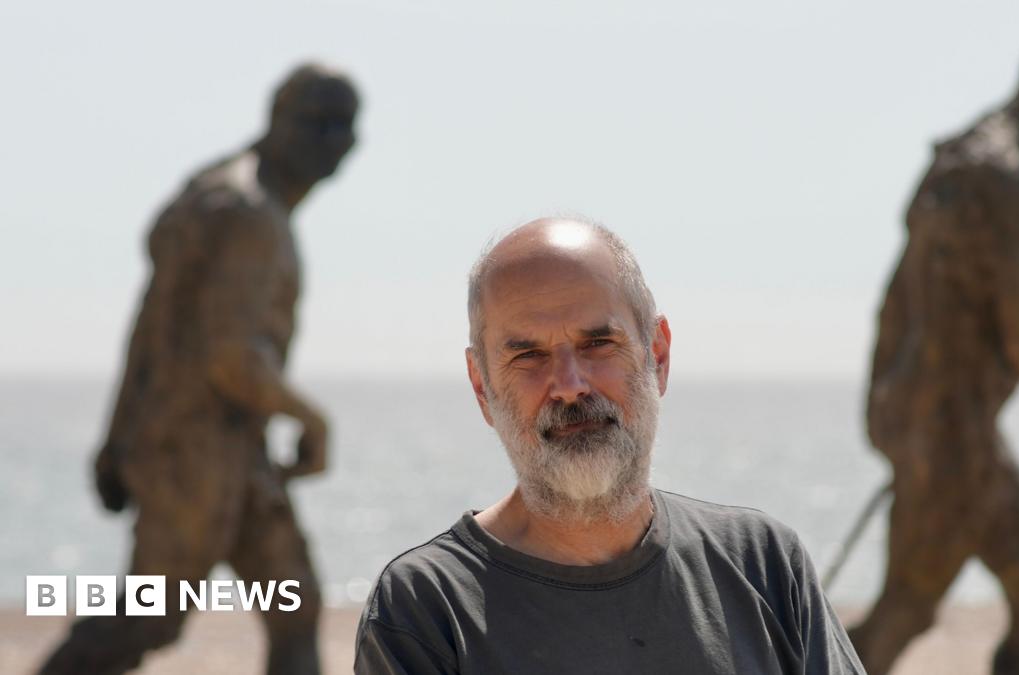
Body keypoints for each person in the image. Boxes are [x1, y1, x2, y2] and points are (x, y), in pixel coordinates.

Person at [355, 217, 865, 674]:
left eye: (598, 343)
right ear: (481, 386)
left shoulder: (762, 563)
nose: (570, 384)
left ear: (657, 355)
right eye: (528, 354)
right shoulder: (424, 608)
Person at [39, 64, 359, 675]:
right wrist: (314, 420)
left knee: (293, 602)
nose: (336, 143)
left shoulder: (218, 195)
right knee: (149, 615)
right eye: (321, 124)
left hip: (234, 451)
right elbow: (230, 359)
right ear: (280, 120)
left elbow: (150, 332)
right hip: (195, 454)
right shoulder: (249, 215)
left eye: (343, 127)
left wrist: (117, 436)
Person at [848, 34, 1019, 675]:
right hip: (950, 435)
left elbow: (898, 309)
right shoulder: (1008, 187)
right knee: (911, 608)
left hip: (941, 425)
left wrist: (890, 413)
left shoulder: (960, 162)